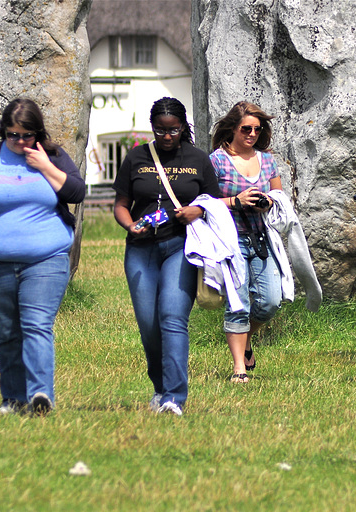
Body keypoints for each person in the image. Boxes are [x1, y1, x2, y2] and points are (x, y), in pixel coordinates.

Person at [0, 98, 85, 415]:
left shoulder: (53, 156)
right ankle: (13, 399)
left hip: (46, 258)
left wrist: (45, 167)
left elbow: (76, 193)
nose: (19, 141)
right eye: (12, 135)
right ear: (4, 132)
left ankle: (40, 395)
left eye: (26, 135)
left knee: (37, 325)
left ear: (37, 133)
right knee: (8, 332)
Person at [113, 97, 221, 416]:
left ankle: (174, 397)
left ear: (183, 127)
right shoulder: (136, 158)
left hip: (181, 246)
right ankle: (159, 387)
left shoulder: (198, 159)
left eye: (173, 130)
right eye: (160, 131)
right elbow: (120, 203)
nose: (167, 137)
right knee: (148, 324)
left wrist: (196, 210)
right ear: (152, 129)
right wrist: (130, 225)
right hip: (141, 249)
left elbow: (213, 204)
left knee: (172, 318)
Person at [210, 101, 283, 383]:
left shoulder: (267, 160)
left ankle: (245, 338)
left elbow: (279, 197)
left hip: (262, 238)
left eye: (257, 128)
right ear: (232, 129)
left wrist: (267, 203)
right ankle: (239, 368)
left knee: (270, 302)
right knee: (238, 303)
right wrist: (235, 201)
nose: (252, 134)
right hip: (231, 239)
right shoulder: (216, 160)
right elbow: (204, 202)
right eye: (246, 129)